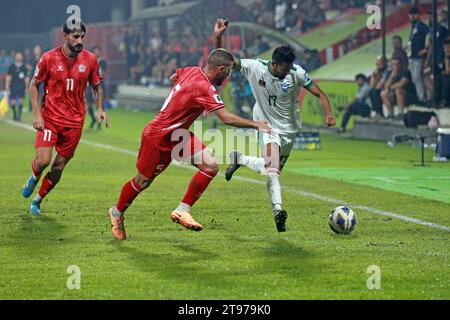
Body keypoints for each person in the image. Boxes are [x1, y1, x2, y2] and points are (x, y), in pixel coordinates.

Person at [107, 49, 271, 240]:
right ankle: (116, 213)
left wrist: (196, 103)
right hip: (158, 137)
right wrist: (257, 124)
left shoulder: (192, 71)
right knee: (142, 182)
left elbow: (173, 77)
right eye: (228, 71)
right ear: (220, 69)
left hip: (179, 135)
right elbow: (226, 118)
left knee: (210, 166)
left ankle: (182, 210)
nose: (228, 76)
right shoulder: (203, 87)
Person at [214, 18, 336, 233]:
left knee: (272, 169)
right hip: (266, 125)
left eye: (290, 68)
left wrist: (328, 114)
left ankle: (240, 158)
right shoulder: (255, 68)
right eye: (284, 68)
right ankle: (278, 211)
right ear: (274, 63)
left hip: (289, 129)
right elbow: (223, 60)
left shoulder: (296, 73)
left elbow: (319, 93)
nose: (287, 71)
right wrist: (218, 36)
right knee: (272, 171)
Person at [21, 20, 109, 215]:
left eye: (82, 37)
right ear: (65, 36)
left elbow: (96, 86)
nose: (80, 41)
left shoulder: (91, 60)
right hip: (50, 119)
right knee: (43, 161)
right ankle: (34, 176)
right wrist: (37, 114)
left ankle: (37, 200)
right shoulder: (48, 58)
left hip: (75, 122)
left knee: (59, 165)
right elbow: (33, 85)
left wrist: (101, 108)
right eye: (75, 37)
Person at [408, 6, 429, 103]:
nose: (412, 17)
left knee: (418, 78)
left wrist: (426, 49)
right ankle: (419, 97)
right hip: (412, 57)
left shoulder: (421, 25)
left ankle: (422, 98)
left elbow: (431, 36)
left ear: (418, 15)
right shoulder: (413, 27)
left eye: (414, 14)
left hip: (418, 57)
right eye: (410, 15)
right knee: (414, 79)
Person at [86, 46, 107, 130]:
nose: (96, 53)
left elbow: (104, 74)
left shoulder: (102, 62)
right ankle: (93, 119)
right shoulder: (89, 61)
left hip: (100, 84)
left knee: (100, 104)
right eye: (94, 51)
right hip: (90, 85)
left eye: (97, 51)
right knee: (89, 105)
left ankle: (99, 122)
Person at [5, 51, 29, 121]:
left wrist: (27, 87)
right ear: (15, 57)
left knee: (21, 101)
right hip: (13, 85)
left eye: (20, 55)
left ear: (22, 57)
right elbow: (8, 77)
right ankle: (14, 113)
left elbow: (26, 78)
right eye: (17, 55)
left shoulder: (24, 67)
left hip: (21, 86)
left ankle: (19, 115)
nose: (19, 57)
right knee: (12, 102)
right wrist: (7, 86)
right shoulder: (11, 66)